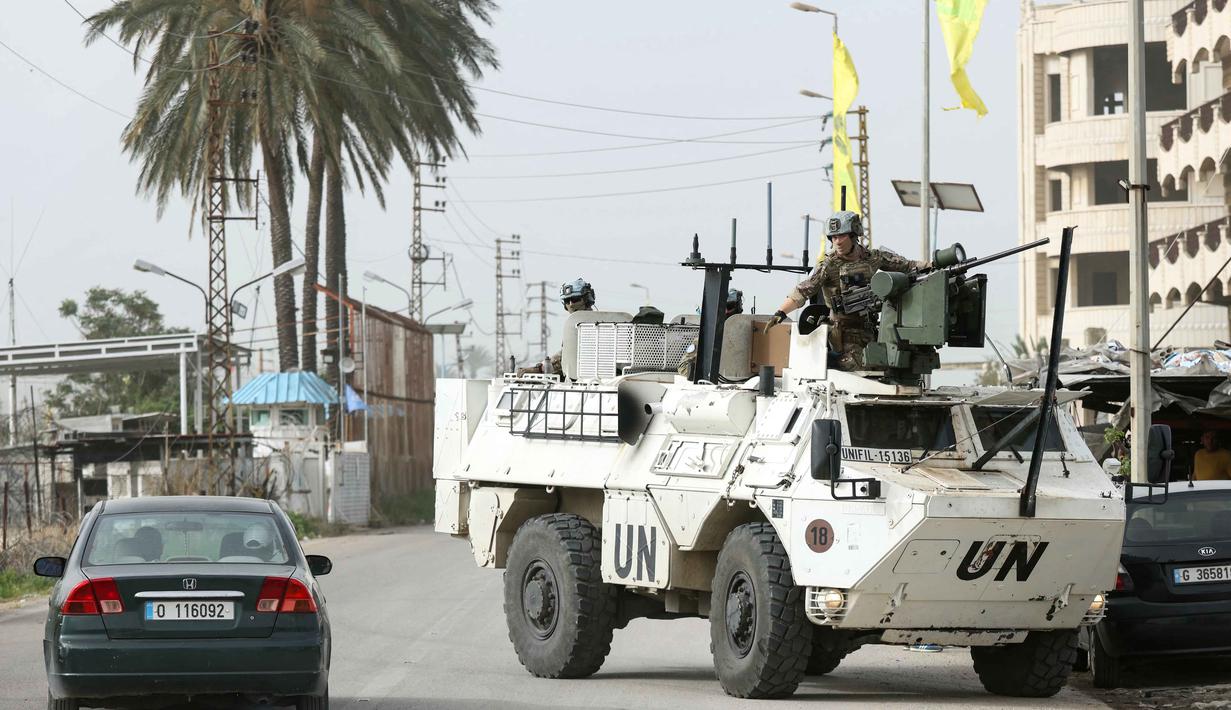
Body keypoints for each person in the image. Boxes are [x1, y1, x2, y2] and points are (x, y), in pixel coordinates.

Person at [763, 210, 922, 371]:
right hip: (842, 333)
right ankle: (821, 360)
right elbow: (803, 290)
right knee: (857, 365)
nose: (837, 241)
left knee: (890, 363)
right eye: (833, 237)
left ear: (853, 235)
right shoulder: (828, 265)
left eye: (841, 236)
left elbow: (908, 266)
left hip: (869, 329)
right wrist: (780, 313)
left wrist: (935, 263)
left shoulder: (873, 258)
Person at [517, 278, 596, 376]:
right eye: (567, 300)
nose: (571, 304)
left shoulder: (595, 326)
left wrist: (540, 369)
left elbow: (568, 356)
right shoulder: (576, 325)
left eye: (575, 299)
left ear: (586, 299)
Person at [677, 288, 743, 378]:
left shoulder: (746, 335)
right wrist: (705, 373)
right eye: (723, 307)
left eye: (730, 307)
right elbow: (683, 367)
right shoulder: (707, 337)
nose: (726, 311)